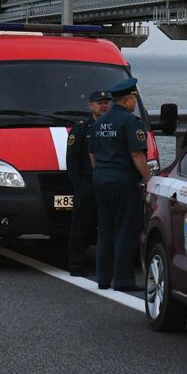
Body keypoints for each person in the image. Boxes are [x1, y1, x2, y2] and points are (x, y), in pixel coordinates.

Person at [89, 77, 151, 291]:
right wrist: (149, 179)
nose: (135, 102)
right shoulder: (130, 122)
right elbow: (136, 153)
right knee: (125, 229)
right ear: (127, 99)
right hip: (123, 180)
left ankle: (103, 278)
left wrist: (100, 173)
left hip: (101, 178)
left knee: (105, 229)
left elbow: (93, 155)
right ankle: (123, 280)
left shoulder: (99, 123)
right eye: (134, 98)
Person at [65, 90, 110, 276]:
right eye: (99, 102)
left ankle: (106, 265)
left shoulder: (113, 126)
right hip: (87, 185)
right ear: (90, 106)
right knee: (80, 227)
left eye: (106, 102)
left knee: (107, 227)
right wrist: (79, 186)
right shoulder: (81, 129)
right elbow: (72, 160)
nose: (103, 105)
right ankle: (75, 263)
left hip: (107, 185)